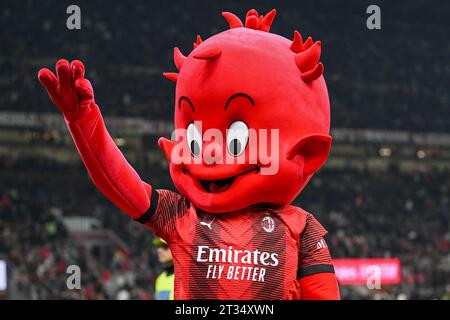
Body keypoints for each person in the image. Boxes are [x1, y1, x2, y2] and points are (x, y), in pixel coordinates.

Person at [38, 8, 340, 299]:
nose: (209, 152)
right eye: (194, 137)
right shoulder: (179, 214)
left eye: (237, 138)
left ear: (307, 150)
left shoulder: (303, 230)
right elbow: (117, 181)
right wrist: (83, 119)